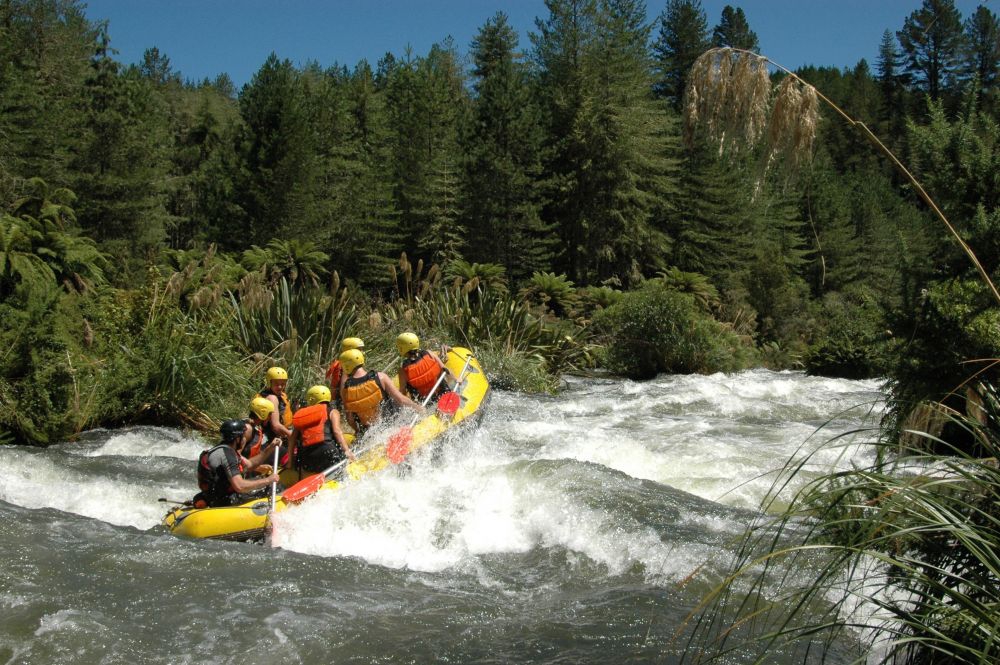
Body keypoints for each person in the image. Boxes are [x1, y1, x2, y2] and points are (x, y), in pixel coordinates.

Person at [193, 419, 281, 508]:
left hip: (214, 495)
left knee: (262, 481)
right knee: (275, 488)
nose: (244, 439)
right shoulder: (227, 455)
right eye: (243, 436)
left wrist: (271, 447)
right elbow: (240, 486)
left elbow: (249, 465)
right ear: (237, 438)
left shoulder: (223, 449)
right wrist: (268, 480)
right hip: (224, 500)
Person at [339, 348, 423, 436]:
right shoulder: (380, 377)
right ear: (361, 360)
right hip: (390, 424)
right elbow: (401, 399)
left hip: (370, 432)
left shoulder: (346, 391)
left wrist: (357, 431)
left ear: (346, 367)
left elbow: (350, 419)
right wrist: (419, 408)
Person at [288, 385, 356, 472]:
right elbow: (337, 431)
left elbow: (292, 440)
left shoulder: (302, 415)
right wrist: (347, 451)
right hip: (328, 453)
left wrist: (290, 463)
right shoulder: (332, 411)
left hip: (308, 459)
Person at [396, 332, 454, 401]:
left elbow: (402, 392)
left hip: (425, 403)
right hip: (444, 393)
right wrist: (456, 379)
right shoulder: (429, 353)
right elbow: (445, 369)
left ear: (401, 348)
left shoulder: (403, 370)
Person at [257, 366, 293, 440]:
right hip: (269, 435)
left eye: (283, 384)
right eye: (276, 383)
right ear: (269, 383)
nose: (280, 387)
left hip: (283, 431)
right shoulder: (272, 398)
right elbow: (275, 426)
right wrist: (292, 436)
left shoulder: (282, 395)